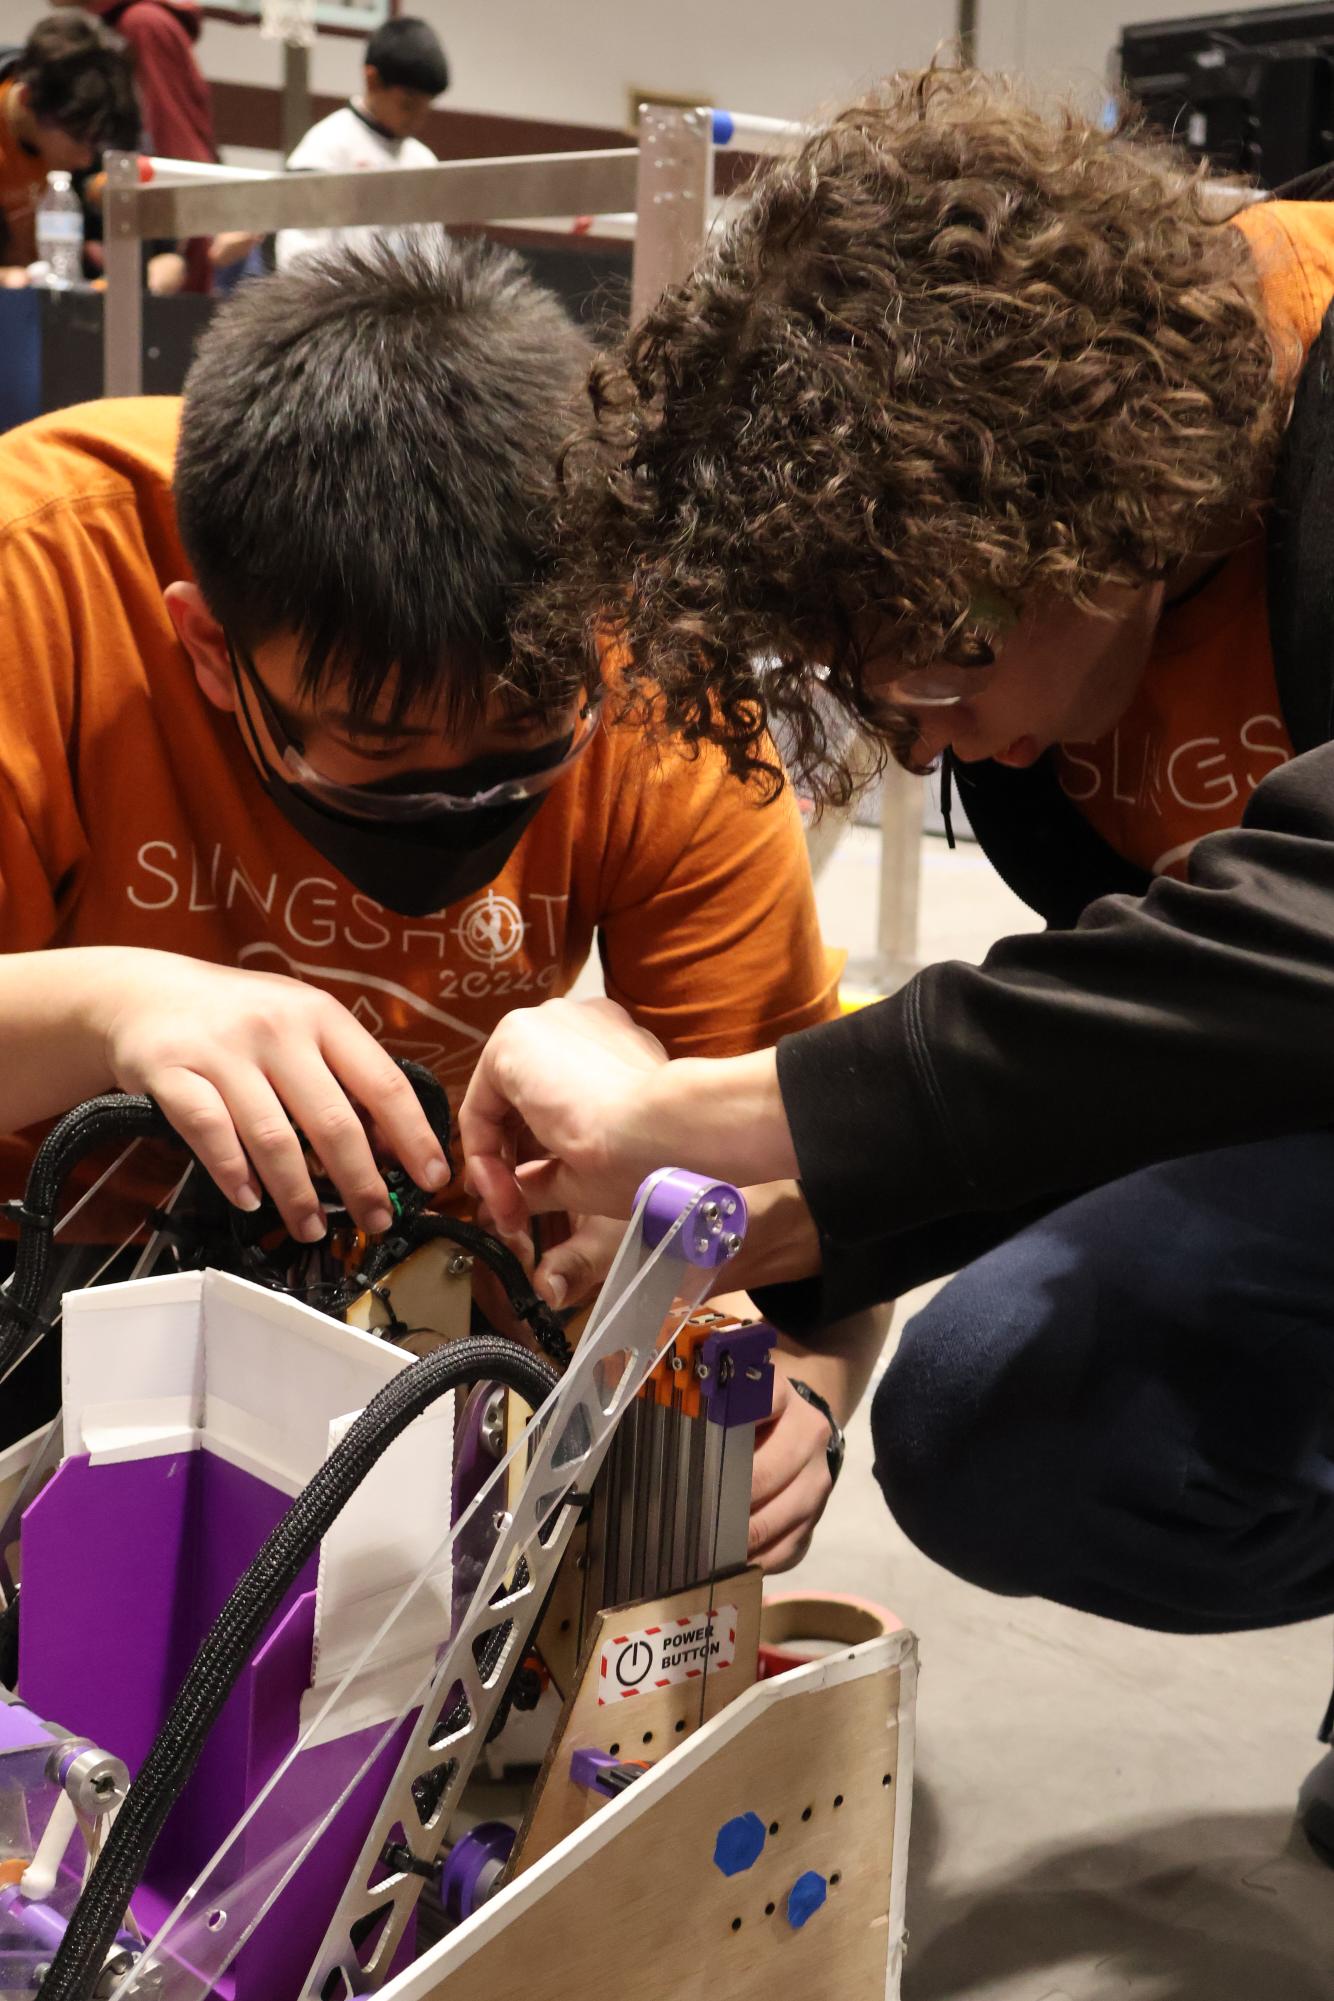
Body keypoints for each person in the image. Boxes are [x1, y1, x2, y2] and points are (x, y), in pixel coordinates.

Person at [458, 66, 1334, 1857]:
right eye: (876, 701)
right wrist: (811, 1234)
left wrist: (746, 1105)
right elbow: (1188, 1030)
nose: (926, 749)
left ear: (1065, 502)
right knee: (1000, 1404)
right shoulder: (1058, 693)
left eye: (932, 672)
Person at [0, 235, 869, 1567]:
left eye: (528, 727)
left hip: (419, 1270)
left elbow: (819, 1185)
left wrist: (802, 1383)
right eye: (378, 747)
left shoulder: (656, 665)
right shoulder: (38, 576)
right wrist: (117, 1005)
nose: (457, 799)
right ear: (206, 649)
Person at [56, 0, 220, 293]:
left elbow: (173, 134)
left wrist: (179, 247)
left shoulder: (143, 24)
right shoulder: (128, 25)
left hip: (170, 235)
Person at [274, 16, 449, 272]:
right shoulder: (325, 148)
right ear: (372, 80)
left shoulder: (423, 161)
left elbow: (431, 257)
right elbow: (298, 259)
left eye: (426, 109)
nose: (416, 120)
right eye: (408, 106)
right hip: (336, 306)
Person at [0, 11, 137, 283]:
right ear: (27, 100)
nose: (87, 159)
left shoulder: (80, 118)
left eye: (95, 143)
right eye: (79, 139)